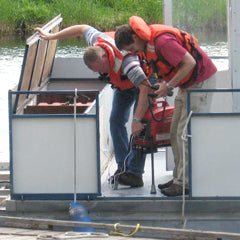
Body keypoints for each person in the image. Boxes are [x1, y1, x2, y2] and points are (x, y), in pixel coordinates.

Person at [35, 24, 153, 188]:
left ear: (105, 57)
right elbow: (81, 28)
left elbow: (145, 88)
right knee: (115, 121)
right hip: (123, 85)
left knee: (140, 126)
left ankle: (135, 174)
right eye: (98, 72)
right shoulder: (96, 40)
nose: (102, 73)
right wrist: (50, 36)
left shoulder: (128, 62)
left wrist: (137, 119)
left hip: (145, 80)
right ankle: (122, 168)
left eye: (103, 69)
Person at [115, 16, 217, 196]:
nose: (134, 52)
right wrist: (161, 83)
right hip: (186, 86)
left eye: (132, 48)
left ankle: (184, 183)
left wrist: (168, 86)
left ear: (136, 37)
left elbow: (190, 63)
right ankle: (179, 177)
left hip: (200, 83)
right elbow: (164, 67)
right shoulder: (147, 45)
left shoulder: (162, 42)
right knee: (174, 133)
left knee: (184, 134)